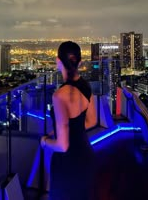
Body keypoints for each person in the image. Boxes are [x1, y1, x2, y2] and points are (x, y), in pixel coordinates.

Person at [41, 41, 97, 200]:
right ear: (79, 62)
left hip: (67, 165)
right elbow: (91, 121)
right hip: (86, 158)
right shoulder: (85, 86)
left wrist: (44, 141)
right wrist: (65, 129)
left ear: (58, 61)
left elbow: (63, 146)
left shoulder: (59, 95)